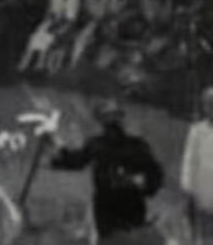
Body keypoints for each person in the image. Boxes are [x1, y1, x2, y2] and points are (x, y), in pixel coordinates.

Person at [44, 98, 165, 242]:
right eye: (107, 117)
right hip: (107, 209)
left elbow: (154, 175)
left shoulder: (137, 146)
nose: (111, 121)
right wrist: (56, 148)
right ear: (101, 121)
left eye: (114, 116)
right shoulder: (97, 144)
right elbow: (75, 160)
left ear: (120, 119)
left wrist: (140, 181)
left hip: (131, 205)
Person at [183, 87, 213, 244]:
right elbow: (190, 159)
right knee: (204, 235)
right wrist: (188, 187)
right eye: (209, 104)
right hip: (203, 191)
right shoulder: (197, 131)